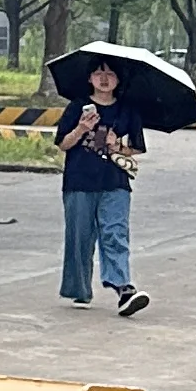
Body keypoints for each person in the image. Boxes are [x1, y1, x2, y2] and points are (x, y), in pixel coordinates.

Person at [58, 60, 149, 316]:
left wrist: (117, 147)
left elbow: (138, 146)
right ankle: (79, 288)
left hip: (115, 183)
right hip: (79, 182)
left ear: (118, 80)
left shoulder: (127, 110)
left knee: (115, 233)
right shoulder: (77, 107)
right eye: (99, 73)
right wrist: (81, 128)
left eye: (110, 73)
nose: (104, 78)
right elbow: (63, 144)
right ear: (90, 78)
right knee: (80, 238)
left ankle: (124, 289)